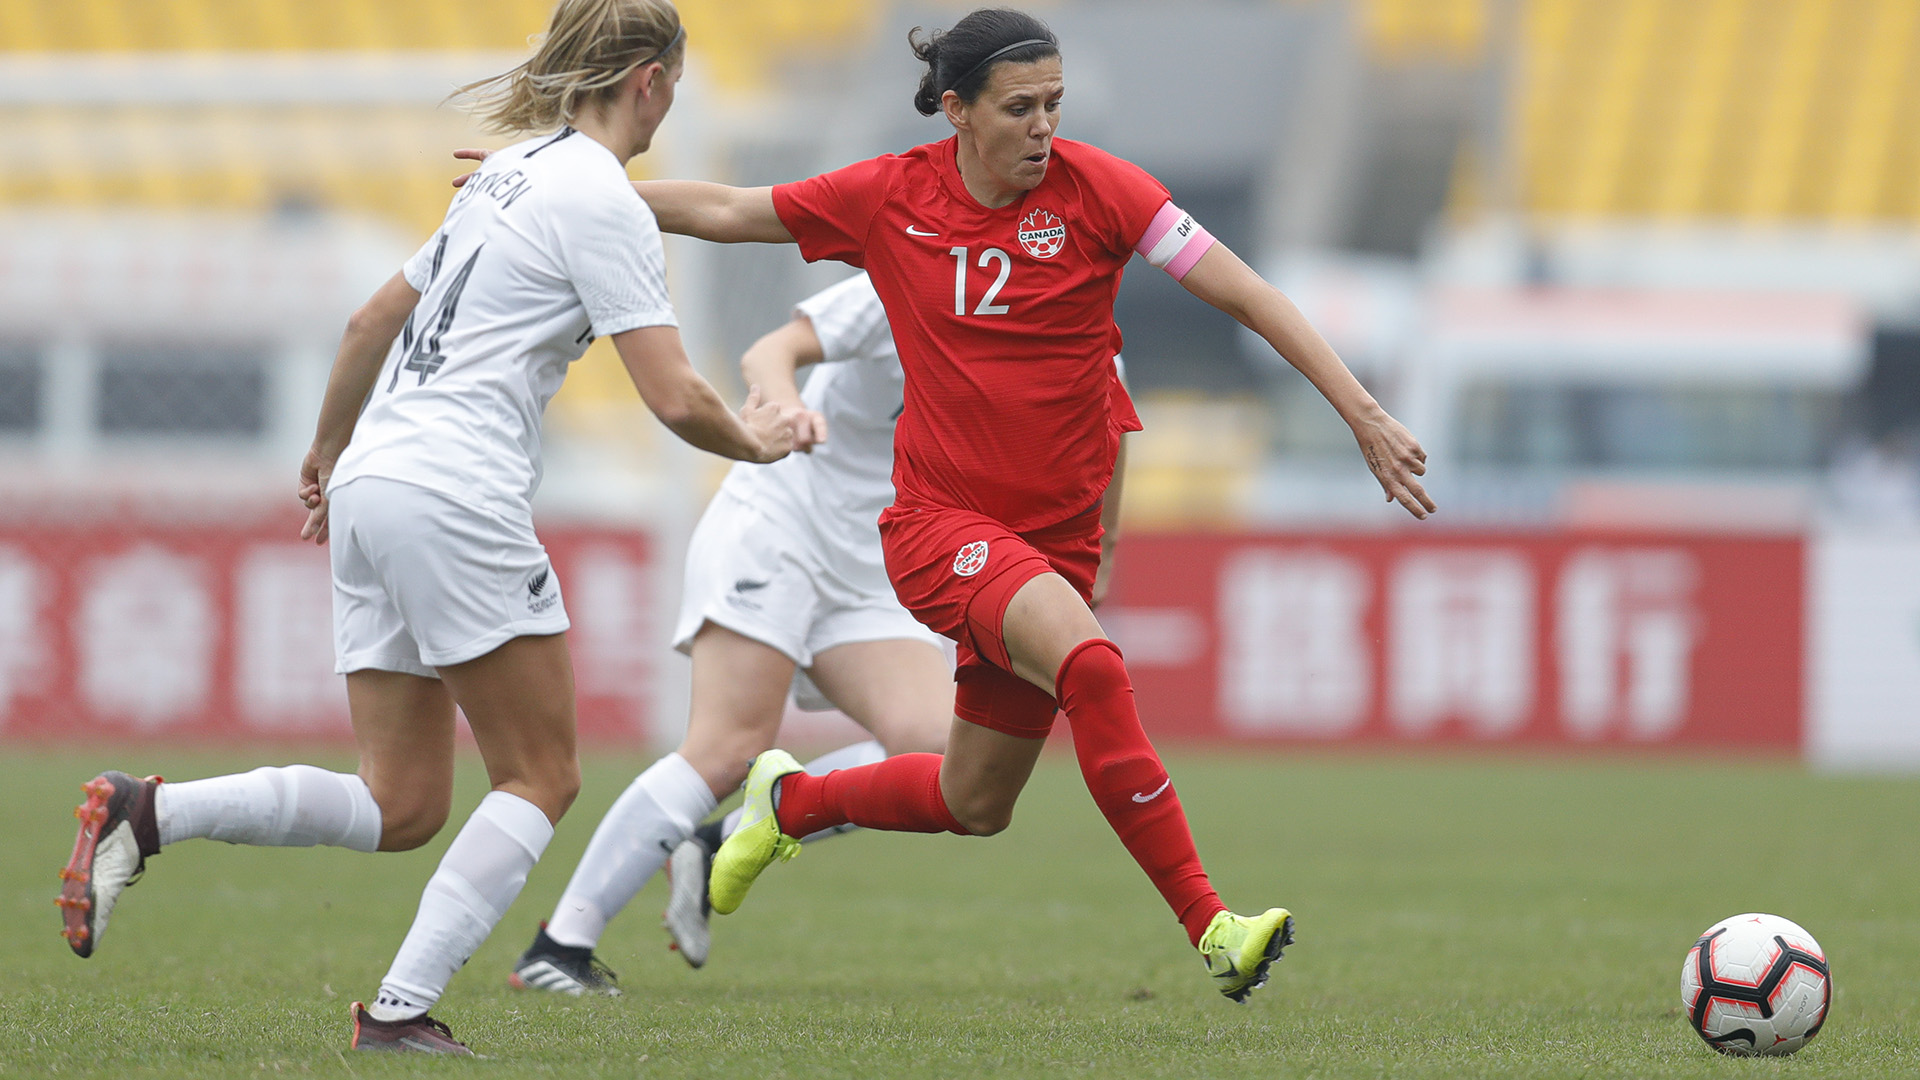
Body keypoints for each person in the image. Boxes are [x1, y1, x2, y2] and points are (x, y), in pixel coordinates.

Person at [618, 8, 1436, 1004]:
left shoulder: (1106, 194)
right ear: (956, 111)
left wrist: (1362, 415)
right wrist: (574, 190)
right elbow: (727, 208)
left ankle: (787, 804)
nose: (1044, 126)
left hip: (1054, 545)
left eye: (1053, 104)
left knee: (975, 799)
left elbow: (1251, 296)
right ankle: (1212, 927)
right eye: (1020, 108)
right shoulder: (890, 196)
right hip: (939, 532)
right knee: (1093, 666)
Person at [52, 0, 793, 1055]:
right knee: (542, 776)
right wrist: (756, 441)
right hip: (456, 489)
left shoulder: (500, 176)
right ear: (653, 81)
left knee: (400, 802)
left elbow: (369, 320)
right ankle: (398, 1012)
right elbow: (674, 397)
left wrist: (325, 453)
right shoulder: (601, 201)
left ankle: (148, 812)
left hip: (375, 478)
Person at [505, 272, 957, 992]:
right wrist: (788, 405)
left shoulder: (1059, 330)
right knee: (727, 747)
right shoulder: (920, 271)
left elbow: (1104, 423)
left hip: (875, 558)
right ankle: (558, 947)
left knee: (938, 752)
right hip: (780, 520)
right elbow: (770, 351)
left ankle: (723, 840)